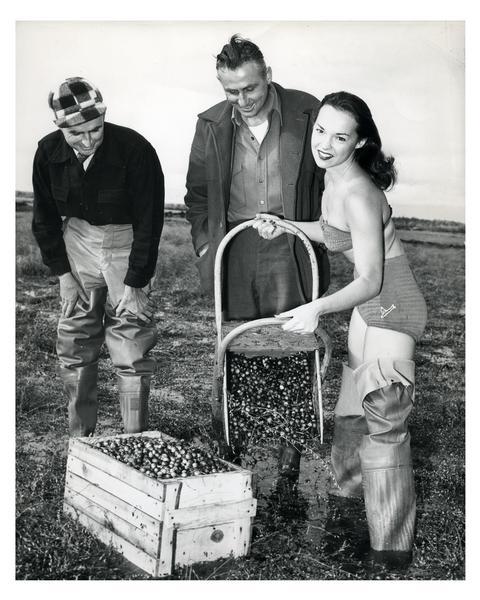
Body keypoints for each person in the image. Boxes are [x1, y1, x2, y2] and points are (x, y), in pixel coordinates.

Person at [254, 91, 427, 568]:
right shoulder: (334, 181)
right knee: (353, 408)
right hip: (369, 306)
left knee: (384, 417)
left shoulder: (361, 192)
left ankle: (391, 550)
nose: (326, 143)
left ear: (360, 141)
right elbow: (334, 231)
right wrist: (287, 226)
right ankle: (353, 505)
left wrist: (317, 308)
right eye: (321, 131)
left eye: (341, 136)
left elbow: (371, 277)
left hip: (391, 304)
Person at [184, 35, 329, 476]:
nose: (242, 100)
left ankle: (290, 459)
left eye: (250, 88)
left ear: (268, 76)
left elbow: (332, 178)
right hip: (236, 252)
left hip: (294, 247)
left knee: (294, 342)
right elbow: (197, 195)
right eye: (231, 91)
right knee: (238, 344)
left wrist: (318, 231)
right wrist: (209, 247)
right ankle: (233, 449)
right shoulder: (210, 122)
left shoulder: (309, 111)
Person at [32, 76, 164, 437]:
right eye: (77, 134)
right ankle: (81, 438)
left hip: (126, 242)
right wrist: (64, 276)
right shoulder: (47, 153)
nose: (89, 140)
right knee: (75, 339)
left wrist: (136, 283)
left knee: (131, 342)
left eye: (96, 129)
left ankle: (135, 439)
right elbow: (43, 219)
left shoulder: (135, 149)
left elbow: (150, 222)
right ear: (60, 128)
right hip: (78, 241)